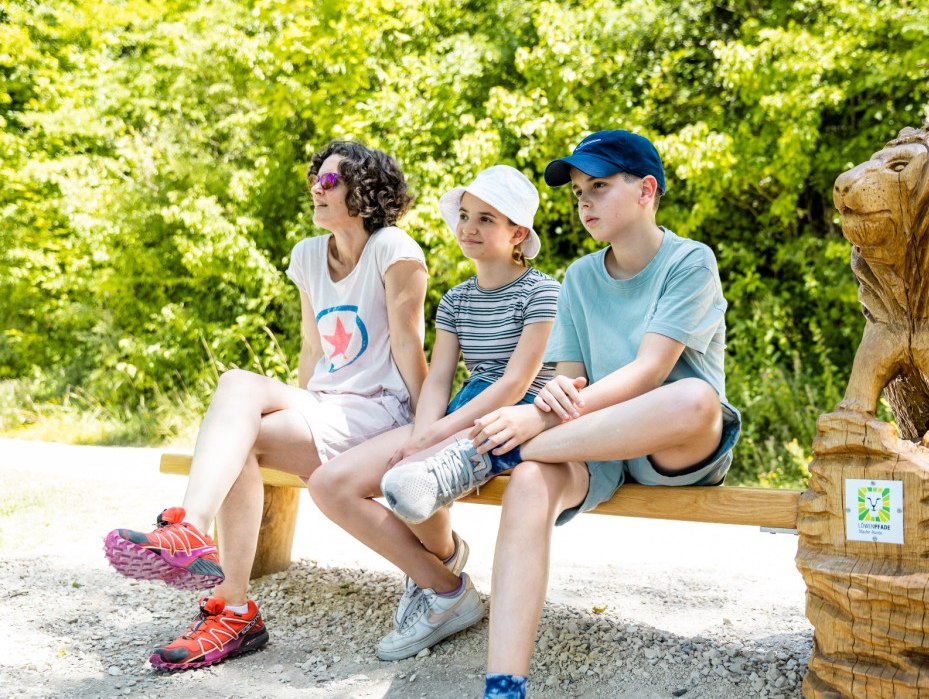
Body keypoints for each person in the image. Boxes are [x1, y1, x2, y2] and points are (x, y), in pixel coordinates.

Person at [381, 130, 740, 699]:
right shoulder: (577, 276)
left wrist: (537, 421)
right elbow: (574, 378)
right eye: (577, 192)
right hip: (593, 440)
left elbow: (649, 371)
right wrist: (547, 409)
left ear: (647, 190)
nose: (584, 202)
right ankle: (504, 687)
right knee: (528, 483)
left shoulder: (689, 260)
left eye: (598, 186)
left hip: (672, 445)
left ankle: (480, 456)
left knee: (694, 397)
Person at [103, 140, 429, 670]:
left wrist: (425, 436)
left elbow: (408, 347)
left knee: (241, 440)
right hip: (327, 404)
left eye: (329, 182)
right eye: (314, 180)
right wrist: (295, 409)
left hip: (380, 414)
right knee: (236, 387)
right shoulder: (306, 255)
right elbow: (311, 347)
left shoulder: (395, 250)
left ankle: (231, 609)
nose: (315, 190)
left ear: (364, 191)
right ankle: (192, 528)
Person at [306, 164, 559, 661]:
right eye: (465, 216)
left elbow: (516, 382)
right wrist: (421, 433)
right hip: (461, 409)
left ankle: (440, 592)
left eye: (487, 219)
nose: (469, 228)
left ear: (518, 234)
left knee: (409, 479)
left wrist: (436, 435)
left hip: (514, 416)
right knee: (328, 484)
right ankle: (444, 576)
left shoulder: (543, 292)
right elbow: (439, 378)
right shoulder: (458, 299)